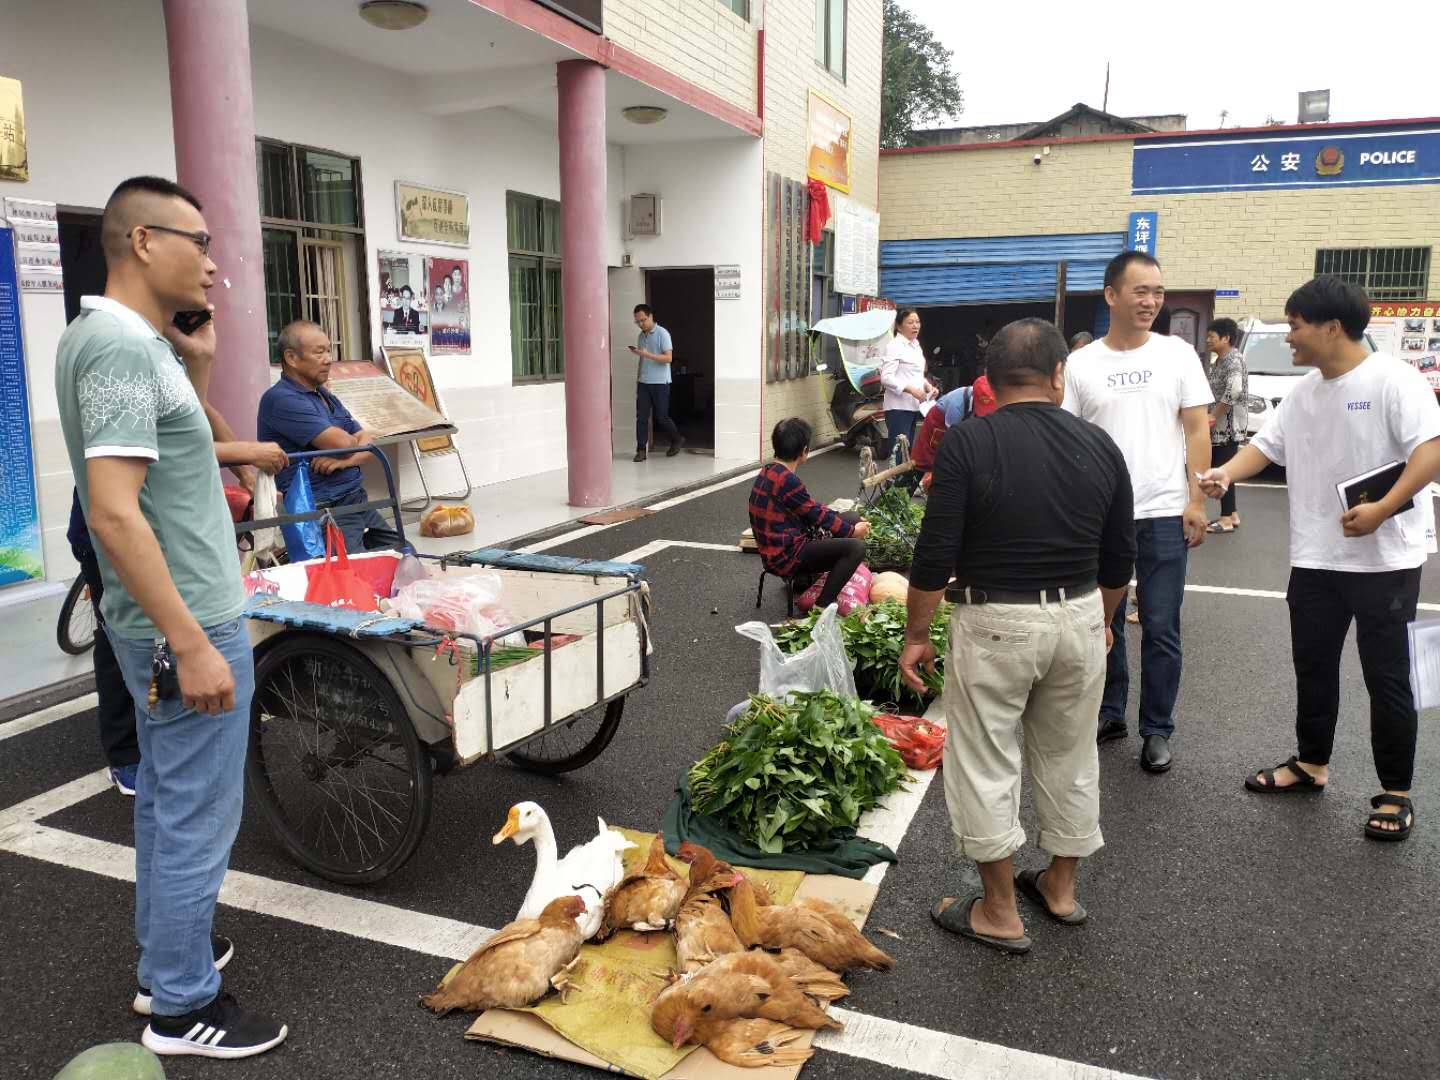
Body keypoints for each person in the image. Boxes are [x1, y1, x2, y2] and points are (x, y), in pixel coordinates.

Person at [54, 175, 287, 1057]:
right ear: (145, 242)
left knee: (165, 802)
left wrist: (194, 358)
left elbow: (171, 451)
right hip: (180, 622)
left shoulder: (120, 341)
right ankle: (184, 1006)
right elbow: (114, 511)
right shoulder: (116, 347)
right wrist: (191, 642)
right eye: (200, 240)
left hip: (168, 616)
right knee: (196, 813)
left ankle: (167, 963)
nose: (213, 262)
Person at [900, 318, 1135, 953]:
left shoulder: (969, 443)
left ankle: (999, 910)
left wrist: (915, 634)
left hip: (994, 620)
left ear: (992, 381)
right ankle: (1060, 888)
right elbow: (1120, 559)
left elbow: (933, 554)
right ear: (1060, 375)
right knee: (1071, 753)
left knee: (985, 760)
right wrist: (1106, 620)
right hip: (1080, 615)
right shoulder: (1100, 445)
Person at [1199, 276, 1440, 842]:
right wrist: (1224, 474)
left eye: (1296, 325)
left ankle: (1396, 792)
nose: (1290, 336)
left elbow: (1429, 453)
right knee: (1313, 666)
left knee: (1388, 677)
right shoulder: (1306, 390)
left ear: (1332, 327)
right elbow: (1266, 447)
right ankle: (1311, 764)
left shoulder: (1393, 381)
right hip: (1315, 557)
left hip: (1385, 559)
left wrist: (1382, 508)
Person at [1062, 251, 1212, 772]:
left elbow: (1196, 428)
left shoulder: (1179, 356)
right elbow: (1070, 439)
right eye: (1139, 291)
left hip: (1166, 511)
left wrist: (1197, 499)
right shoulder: (1081, 363)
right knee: (1102, 618)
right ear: (1111, 296)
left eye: (1157, 292)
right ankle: (1110, 711)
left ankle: (1157, 727)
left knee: (1161, 623)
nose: (1150, 301)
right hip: (1099, 515)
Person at [258, 320, 402, 554]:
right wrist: (351, 447)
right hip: (324, 509)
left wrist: (344, 461)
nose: (328, 359)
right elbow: (346, 443)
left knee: (404, 556)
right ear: (292, 358)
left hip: (355, 500)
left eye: (328, 350)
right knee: (357, 577)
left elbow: (367, 439)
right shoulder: (282, 399)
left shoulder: (324, 395)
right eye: (319, 352)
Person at [748, 418, 871, 610]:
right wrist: (851, 532)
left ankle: (807, 581)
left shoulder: (769, 471)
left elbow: (810, 509)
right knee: (856, 547)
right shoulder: (787, 480)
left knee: (851, 518)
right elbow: (815, 514)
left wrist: (850, 525)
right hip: (785, 557)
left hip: (781, 546)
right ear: (804, 451)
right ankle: (821, 607)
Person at [1203, 318, 1247, 532]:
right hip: (1220, 428)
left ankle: (1226, 518)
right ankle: (1232, 513)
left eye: (1212, 336)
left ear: (1226, 338)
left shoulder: (1233, 360)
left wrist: (1214, 415)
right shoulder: (1220, 360)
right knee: (1224, 469)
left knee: (1221, 470)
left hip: (1227, 428)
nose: (1207, 340)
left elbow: (1234, 390)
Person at [880, 308, 937, 459]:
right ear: (899, 326)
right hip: (898, 407)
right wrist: (911, 390)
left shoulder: (916, 345)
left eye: (917, 322)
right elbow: (886, 377)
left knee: (908, 452)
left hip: (913, 406)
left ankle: (903, 482)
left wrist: (928, 386)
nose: (915, 326)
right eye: (910, 322)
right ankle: (895, 482)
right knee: (899, 452)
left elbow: (916, 374)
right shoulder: (894, 346)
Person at [630, 303, 683, 461]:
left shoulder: (663, 333)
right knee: (641, 417)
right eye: (637, 322)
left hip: (660, 383)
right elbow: (642, 360)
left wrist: (648, 355)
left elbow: (668, 358)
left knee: (661, 417)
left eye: (643, 320)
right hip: (644, 383)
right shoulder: (641, 336)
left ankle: (676, 439)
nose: (640, 324)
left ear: (651, 316)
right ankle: (640, 450)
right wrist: (638, 378)